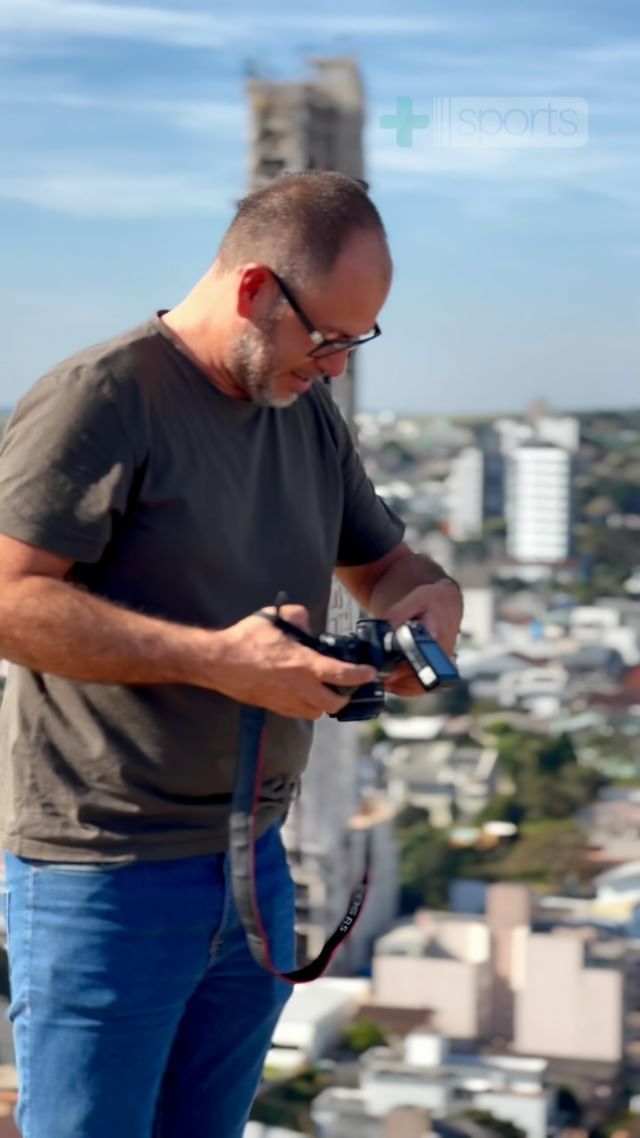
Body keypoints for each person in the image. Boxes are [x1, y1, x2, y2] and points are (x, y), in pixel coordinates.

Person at [0, 171, 463, 1138]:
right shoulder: (103, 398)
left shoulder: (303, 412)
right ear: (255, 290)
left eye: (355, 342)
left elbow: (385, 563)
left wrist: (432, 603)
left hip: (254, 861)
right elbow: (7, 598)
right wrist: (217, 660)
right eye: (326, 337)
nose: (335, 365)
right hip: (106, 871)